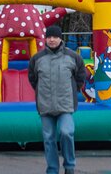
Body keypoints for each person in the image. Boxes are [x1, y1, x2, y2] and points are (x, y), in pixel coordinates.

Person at [28, 25, 86, 174]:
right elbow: (33, 79)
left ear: (60, 38)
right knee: (48, 138)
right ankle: (52, 169)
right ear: (45, 39)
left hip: (65, 104)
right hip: (45, 105)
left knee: (67, 132)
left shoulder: (72, 57)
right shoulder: (37, 59)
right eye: (49, 37)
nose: (52, 40)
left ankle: (69, 166)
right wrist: (41, 92)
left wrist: (74, 89)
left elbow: (80, 75)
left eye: (55, 37)